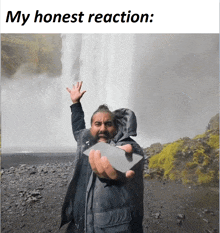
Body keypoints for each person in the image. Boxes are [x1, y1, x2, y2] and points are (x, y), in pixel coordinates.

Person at [60, 81, 144, 233]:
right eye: (97, 124)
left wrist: (118, 167)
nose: (103, 128)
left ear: (116, 127)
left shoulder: (130, 146)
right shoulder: (87, 140)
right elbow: (78, 129)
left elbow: (128, 158)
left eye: (108, 124)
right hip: (79, 223)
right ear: (91, 127)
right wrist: (75, 104)